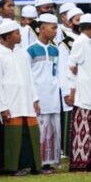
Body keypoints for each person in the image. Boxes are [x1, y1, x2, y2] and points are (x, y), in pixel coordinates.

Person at [0, 19, 42, 176]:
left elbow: (30, 77)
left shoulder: (23, 53)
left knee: (31, 134)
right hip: (11, 101)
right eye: (16, 33)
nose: (20, 35)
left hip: (26, 100)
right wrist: (3, 107)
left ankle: (34, 166)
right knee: (14, 136)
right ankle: (14, 167)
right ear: (7, 37)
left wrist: (35, 99)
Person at [66, 14, 91, 171]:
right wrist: (72, 91)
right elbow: (71, 65)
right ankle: (81, 161)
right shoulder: (80, 42)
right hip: (82, 91)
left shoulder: (88, 42)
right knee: (83, 127)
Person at [27, 13, 61, 172]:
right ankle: (36, 162)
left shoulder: (55, 50)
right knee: (40, 130)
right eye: (53, 28)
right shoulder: (31, 50)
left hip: (53, 95)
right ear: (41, 29)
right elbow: (28, 76)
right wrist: (33, 98)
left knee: (52, 130)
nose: (55, 31)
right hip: (39, 95)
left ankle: (48, 162)